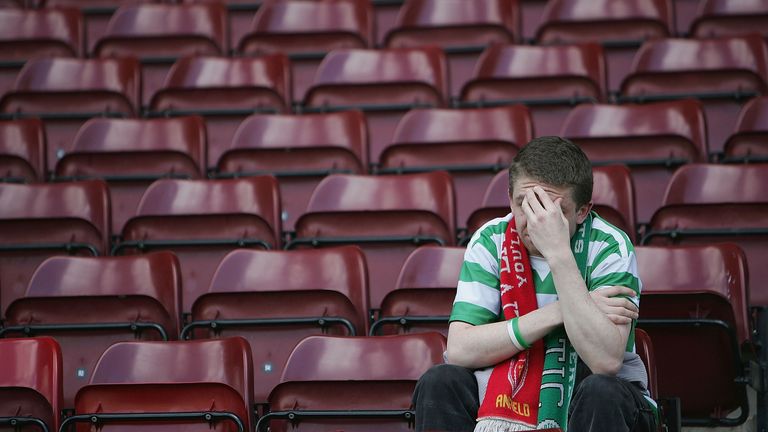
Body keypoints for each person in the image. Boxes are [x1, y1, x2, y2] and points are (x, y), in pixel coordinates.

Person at [412, 136, 657, 432]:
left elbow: (605, 361)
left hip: (591, 391)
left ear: (583, 211)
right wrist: (560, 312)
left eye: (554, 211)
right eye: (525, 205)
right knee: (439, 381)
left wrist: (558, 254)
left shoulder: (609, 245)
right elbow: (461, 349)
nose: (536, 221)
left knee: (601, 390)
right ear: (509, 197)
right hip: (502, 388)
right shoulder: (491, 240)